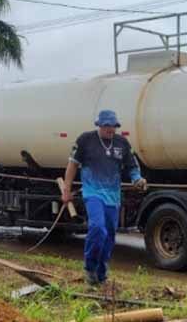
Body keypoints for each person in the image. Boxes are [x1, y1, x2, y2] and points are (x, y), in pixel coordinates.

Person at [62, 110, 147, 286]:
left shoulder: (122, 143)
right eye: (106, 125)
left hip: (113, 196)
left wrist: (137, 179)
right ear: (99, 125)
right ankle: (90, 267)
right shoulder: (85, 140)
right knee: (98, 228)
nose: (110, 129)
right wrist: (67, 190)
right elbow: (72, 165)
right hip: (92, 192)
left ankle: (100, 272)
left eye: (113, 126)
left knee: (109, 236)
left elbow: (132, 166)